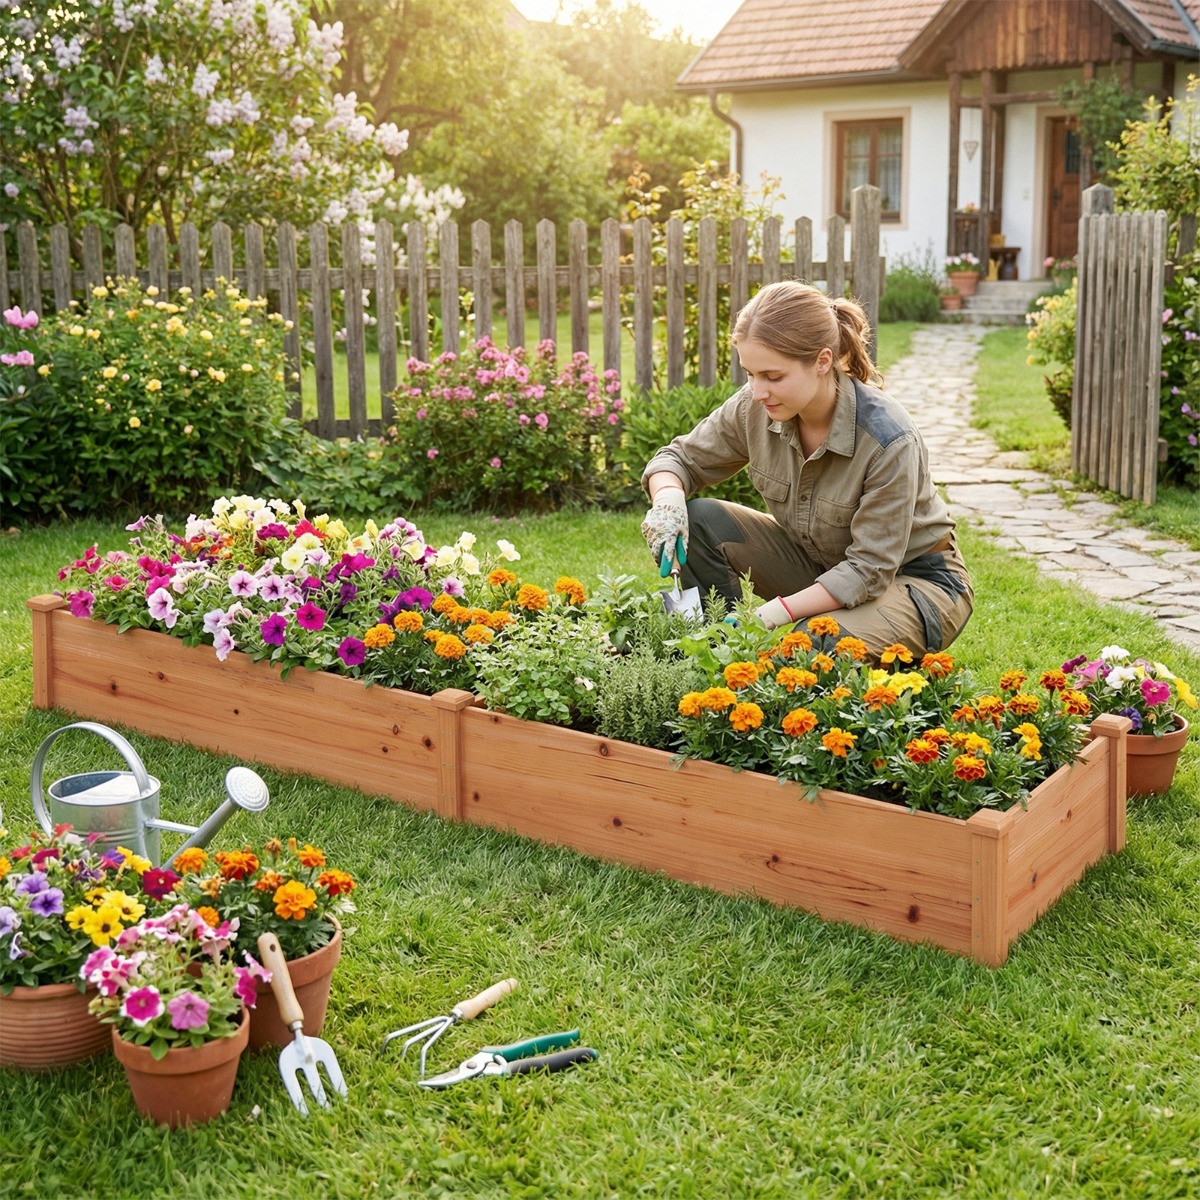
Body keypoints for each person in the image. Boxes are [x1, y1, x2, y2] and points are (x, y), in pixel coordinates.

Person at [640, 280, 972, 658]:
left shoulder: (888, 440)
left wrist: (771, 615)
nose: (757, 389)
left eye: (773, 376)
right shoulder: (755, 406)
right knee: (700, 521)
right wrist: (668, 500)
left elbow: (868, 570)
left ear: (823, 361)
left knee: (813, 642)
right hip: (824, 567)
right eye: (749, 374)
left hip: (915, 582)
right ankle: (712, 658)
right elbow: (678, 458)